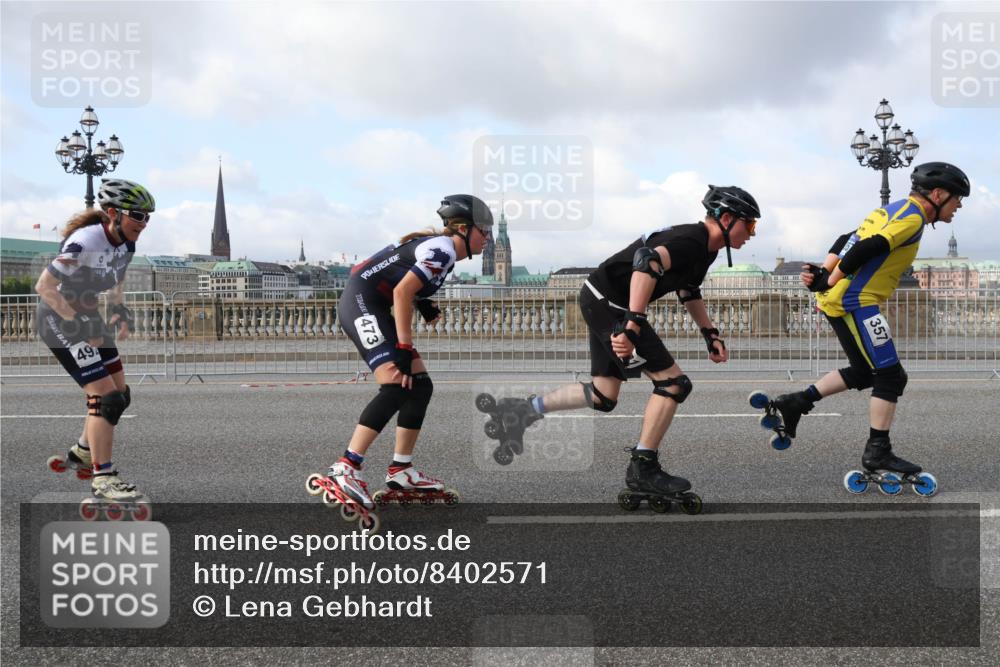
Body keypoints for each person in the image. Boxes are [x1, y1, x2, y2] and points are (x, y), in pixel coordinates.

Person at [479, 185, 760, 509]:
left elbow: (688, 289)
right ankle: (643, 466)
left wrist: (710, 333)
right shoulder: (690, 240)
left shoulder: (705, 249)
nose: (751, 234)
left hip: (601, 297)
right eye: (749, 225)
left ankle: (522, 410)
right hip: (609, 301)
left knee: (603, 395)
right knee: (673, 384)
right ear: (726, 218)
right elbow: (647, 261)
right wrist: (631, 325)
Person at [765, 162, 969, 491]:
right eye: (958, 198)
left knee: (863, 372)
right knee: (890, 376)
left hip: (845, 300)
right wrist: (827, 279)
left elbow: (848, 238)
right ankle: (878, 453)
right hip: (856, 302)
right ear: (938, 194)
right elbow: (866, 247)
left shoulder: (891, 209)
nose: (959, 205)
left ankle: (796, 402)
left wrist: (823, 273)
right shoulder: (914, 217)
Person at [319, 194, 493, 516]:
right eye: (485, 231)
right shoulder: (441, 250)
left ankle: (401, 470)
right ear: (463, 229)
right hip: (362, 305)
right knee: (397, 385)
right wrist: (402, 347)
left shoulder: (445, 252)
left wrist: (424, 303)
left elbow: (401, 279)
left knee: (421, 386)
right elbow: (400, 291)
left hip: (374, 303)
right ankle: (346, 466)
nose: (488, 238)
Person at [38, 178, 155, 503]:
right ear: (114, 213)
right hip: (59, 317)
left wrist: (117, 307)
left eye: (148, 217)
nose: (143, 223)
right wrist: (76, 325)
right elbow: (44, 288)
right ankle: (103, 477)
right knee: (106, 399)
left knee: (121, 393)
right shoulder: (85, 241)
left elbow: (116, 278)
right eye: (138, 215)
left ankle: (84, 451)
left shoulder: (126, 243)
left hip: (88, 316)